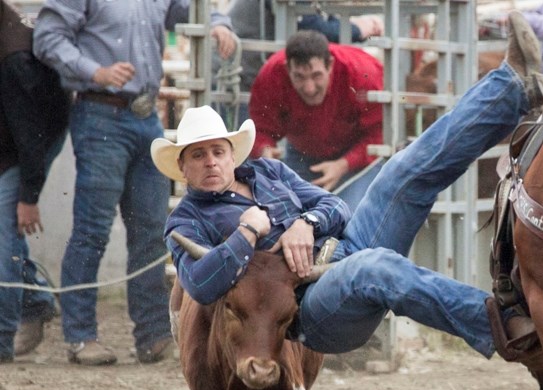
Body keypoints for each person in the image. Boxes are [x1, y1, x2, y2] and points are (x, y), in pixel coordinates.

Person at [155, 12, 543, 361]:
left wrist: (305, 222)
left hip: (343, 245)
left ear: (231, 154)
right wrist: (247, 232)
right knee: (372, 268)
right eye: (198, 155)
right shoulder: (186, 221)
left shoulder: (266, 173)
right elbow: (203, 285)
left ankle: (510, 88)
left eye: (217, 151)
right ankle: (502, 325)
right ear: (183, 167)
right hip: (311, 306)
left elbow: (336, 208)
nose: (210, 161)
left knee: (402, 171)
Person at [33, 0, 236, 366]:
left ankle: (152, 335)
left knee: (152, 229)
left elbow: (191, 8)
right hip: (99, 110)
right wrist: (96, 71)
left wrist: (218, 22)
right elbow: (48, 37)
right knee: (93, 229)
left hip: (142, 114)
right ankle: (81, 335)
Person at [0, 0, 69, 363]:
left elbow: (30, 136)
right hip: (15, 139)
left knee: (5, 234)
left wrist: (29, 195)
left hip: (25, 143)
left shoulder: (15, 59)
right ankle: (36, 300)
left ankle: (2, 334)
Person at [248, 30, 384, 210]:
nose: (309, 88)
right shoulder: (272, 74)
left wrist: (345, 164)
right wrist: (264, 151)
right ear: (287, 68)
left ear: (330, 66)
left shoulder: (363, 74)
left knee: (352, 215)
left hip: (358, 157)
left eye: (316, 76)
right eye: (299, 77)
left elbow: (379, 133)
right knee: (287, 213)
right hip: (303, 152)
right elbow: (260, 127)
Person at [213, 0, 383, 128]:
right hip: (236, 76)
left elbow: (313, 20)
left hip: (248, 72)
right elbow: (310, 28)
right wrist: (357, 29)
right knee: (243, 149)